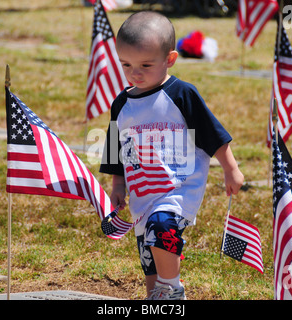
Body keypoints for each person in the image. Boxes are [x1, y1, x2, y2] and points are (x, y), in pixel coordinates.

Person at [100, 11, 244, 300]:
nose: (134, 73)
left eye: (145, 65)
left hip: (178, 189)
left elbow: (212, 134)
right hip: (143, 195)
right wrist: (118, 187)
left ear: (170, 59)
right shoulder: (122, 104)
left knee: (161, 227)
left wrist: (231, 168)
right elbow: (118, 149)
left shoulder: (181, 95)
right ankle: (159, 295)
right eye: (126, 64)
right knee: (148, 257)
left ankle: (173, 290)